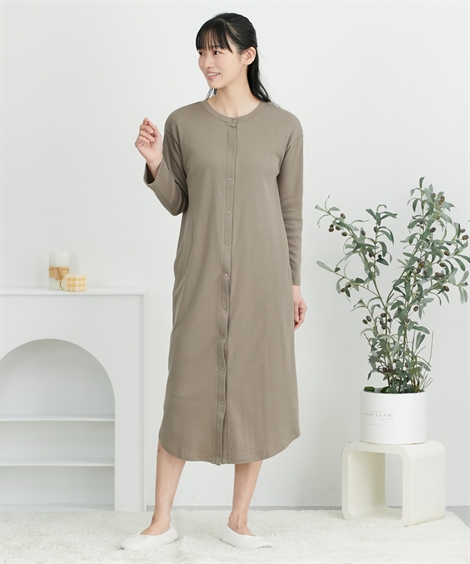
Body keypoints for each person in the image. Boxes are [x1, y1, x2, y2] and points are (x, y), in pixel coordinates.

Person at [121, 12, 307, 551]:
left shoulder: (285, 127)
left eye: (218, 51)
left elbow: (290, 211)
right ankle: (160, 522)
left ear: (248, 55)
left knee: (255, 392)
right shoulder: (183, 122)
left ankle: (239, 521)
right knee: (184, 392)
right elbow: (178, 201)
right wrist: (156, 163)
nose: (207, 62)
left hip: (264, 281)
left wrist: (293, 284)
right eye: (202, 51)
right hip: (199, 277)